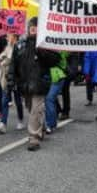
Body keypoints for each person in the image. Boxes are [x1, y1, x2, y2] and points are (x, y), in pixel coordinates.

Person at [8, 17, 59, 151]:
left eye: (36, 27)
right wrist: (11, 79)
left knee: (36, 109)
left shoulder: (45, 43)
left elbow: (55, 60)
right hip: (25, 84)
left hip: (40, 82)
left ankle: (33, 138)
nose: (33, 29)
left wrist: (42, 51)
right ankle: (40, 127)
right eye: (31, 27)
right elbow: (13, 64)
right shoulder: (20, 44)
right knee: (31, 109)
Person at [0, 32, 24, 133]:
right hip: (7, 78)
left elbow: (11, 60)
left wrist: (2, 61)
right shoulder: (8, 46)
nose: (6, 37)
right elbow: (3, 55)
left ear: (14, 37)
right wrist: (0, 59)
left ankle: (20, 120)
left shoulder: (19, 47)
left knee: (18, 101)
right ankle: (3, 124)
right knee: (4, 100)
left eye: (8, 36)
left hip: (16, 78)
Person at [45, 51, 67, 134]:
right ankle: (52, 122)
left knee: (49, 99)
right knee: (50, 100)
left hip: (57, 77)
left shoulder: (60, 50)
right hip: (47, 77)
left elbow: (63, 62)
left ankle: (50, 124)